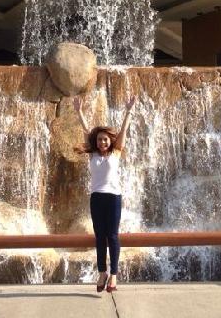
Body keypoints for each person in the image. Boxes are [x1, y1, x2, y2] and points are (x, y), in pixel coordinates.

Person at [73, 95, 136, 293]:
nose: (102, 142)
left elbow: (123, 131)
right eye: (99, 139)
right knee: (100, 237)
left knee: (113, 236)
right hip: (97, 198)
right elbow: (86, 131)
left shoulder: (116, 153)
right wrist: (79, 112)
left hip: (113, 198)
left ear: (110, 141)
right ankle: (102, 273)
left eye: (105, 139)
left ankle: (114, 275)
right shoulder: (92, 154)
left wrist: (128, 110)